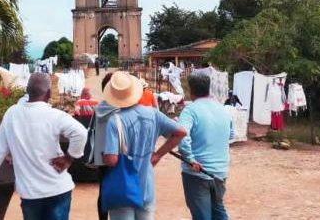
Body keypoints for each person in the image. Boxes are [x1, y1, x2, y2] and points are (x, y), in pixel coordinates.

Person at [0, 72, 86, 220]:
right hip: (58, 189)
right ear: (48, 93)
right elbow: (81, 133)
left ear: (27, 91)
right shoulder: (55, 115)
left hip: (30, 193)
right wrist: (69, 158)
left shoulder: (12, 114)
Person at [103, 71, 186, 220]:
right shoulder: (153, 114)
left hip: (123, 189)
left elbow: (112, 160)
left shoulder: (114, 121)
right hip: (146, 186)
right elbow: (180, 132)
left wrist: (103, 155)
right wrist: (157, 155)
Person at [179, 73, 234, 220]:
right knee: (218, 211)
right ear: (208, 88)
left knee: (202, 216)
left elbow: (182, 137)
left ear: (190, 90)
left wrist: (190, 159)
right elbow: (231, 134)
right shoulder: (223, 109)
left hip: (197, 173)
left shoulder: (190, 110)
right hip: (220, 172)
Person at [92, 72, 118, 220]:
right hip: (117, 156)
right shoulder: (120, 110)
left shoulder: (99, 108)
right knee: (121, 190)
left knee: (103, 191)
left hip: (101, 156)